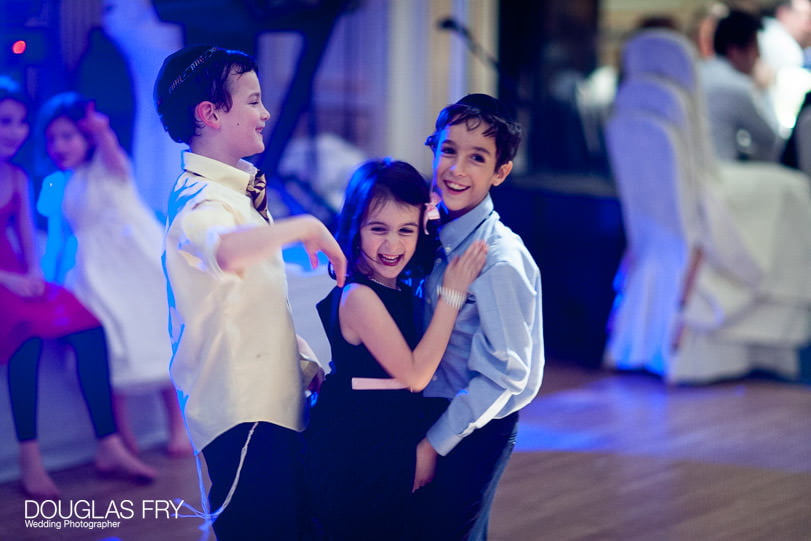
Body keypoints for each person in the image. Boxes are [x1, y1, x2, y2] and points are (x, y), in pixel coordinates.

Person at [153, 45, 347, 539]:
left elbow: (254, 307)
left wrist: (303, 365)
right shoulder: (198, 201)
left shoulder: (237, 192)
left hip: (276, 405)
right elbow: (226, 252)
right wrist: (305, 225)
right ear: (211, 114)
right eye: (253, 101)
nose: (265, 114)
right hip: (242, 416)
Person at [305, 158, 486, 539]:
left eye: (406, 230)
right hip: (358, 452)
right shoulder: (359, 295)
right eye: (378, 229)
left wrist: (434, 211)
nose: (392, 244)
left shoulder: (396, 286)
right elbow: (415, 374)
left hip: (381, 437)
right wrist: (453, 293)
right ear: (355, 226)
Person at [0, 76, 156, 499]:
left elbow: (30, 240)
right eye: (4, 121)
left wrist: (34, 273)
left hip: (17, 276)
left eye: (18, 122)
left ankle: (108, 444)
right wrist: (8, 278)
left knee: (89, 326)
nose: (13, 132)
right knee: (25, 337)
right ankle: (30, 459)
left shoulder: (16, 176)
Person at [410, 93, 545, 540]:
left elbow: (505, 375)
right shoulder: (429, 230)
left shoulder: (500, 261)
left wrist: (433, 444)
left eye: (477, 158)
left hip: (475, 421)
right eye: (448, 151)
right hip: (431, 407)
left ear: (500, 172)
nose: (456, 169)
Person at [35, 92, 191, 457]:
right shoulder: (60, 183)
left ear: (87, 137)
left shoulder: (109, 167)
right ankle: (122, 438)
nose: (60, 145)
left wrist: (102, 132)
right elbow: (59, 234)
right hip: (93, 272)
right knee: (111, 347)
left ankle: (177, 426)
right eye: (53, 138)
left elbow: (114, 156)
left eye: (69, 136)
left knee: (156, 337)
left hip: (135, 262)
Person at [700, 9, 784, 161]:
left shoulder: (700, 72)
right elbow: (770, 139)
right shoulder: (735, 86)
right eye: (755, 48)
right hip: (722, 172)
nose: (758, 56)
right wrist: (764, 90)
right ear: (735, 51)